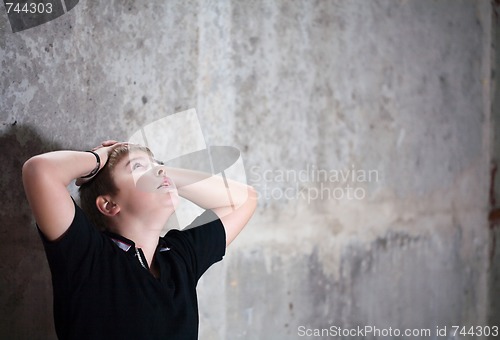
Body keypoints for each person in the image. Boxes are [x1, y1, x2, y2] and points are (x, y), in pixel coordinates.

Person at [22, 140, 257, 339]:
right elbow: (40, 171)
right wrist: (99, 158)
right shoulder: (90, 256)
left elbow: (244, 198)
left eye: (157, 166)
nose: (158, 172)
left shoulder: (179, 258)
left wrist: (161, 170)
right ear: (109, 204)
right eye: (136, 168)